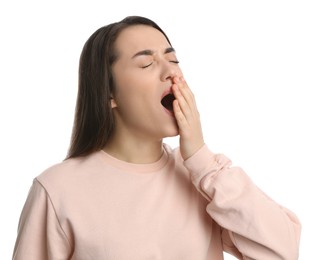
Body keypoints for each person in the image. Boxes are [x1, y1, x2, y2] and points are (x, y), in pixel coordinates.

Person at [12, 16, 301, 260]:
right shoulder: (57, 190)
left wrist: (200, 158)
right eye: (147, 64)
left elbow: (283, 251)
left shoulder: (205, 179)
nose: (172, 71)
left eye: (173, 59)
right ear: (108, 92)